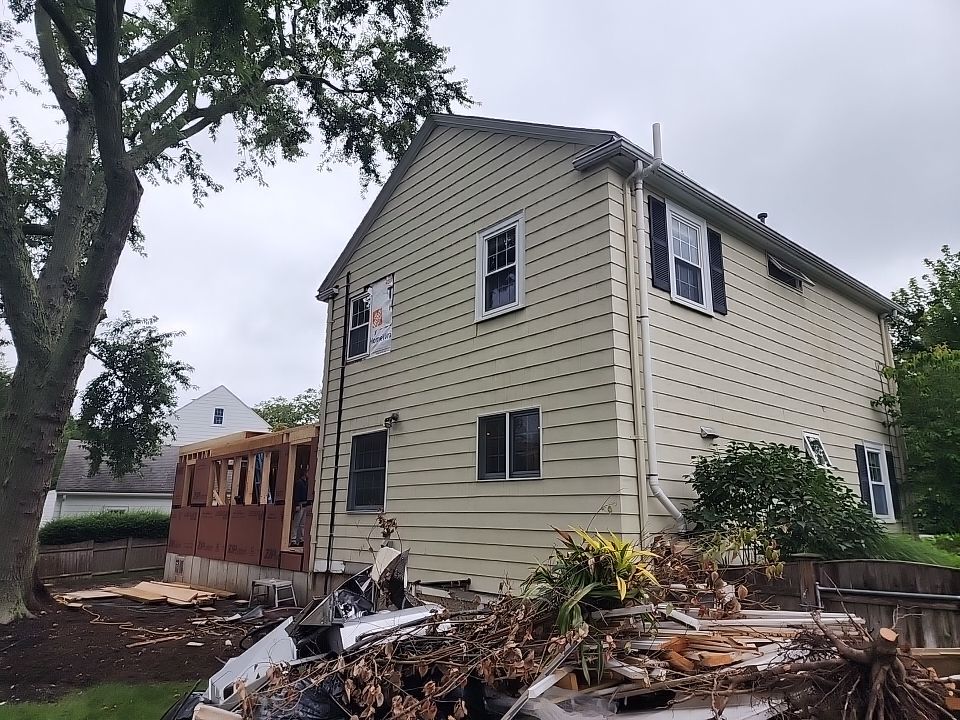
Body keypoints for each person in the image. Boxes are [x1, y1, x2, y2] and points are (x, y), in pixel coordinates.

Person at [290, 471, 311, 546]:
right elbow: (296, 495)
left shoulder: (307, 483)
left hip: (305, 504)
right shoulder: (299, 483)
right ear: (304, 474)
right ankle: (293, 539)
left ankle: (300, 539)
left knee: (302, 524)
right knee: (296, 523)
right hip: (300, 505)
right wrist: (297, 504)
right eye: (308, 473)